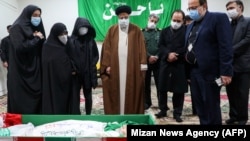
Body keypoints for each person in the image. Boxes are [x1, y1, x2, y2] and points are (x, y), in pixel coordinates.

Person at [185, 0, 233, 125]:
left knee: (211, 106)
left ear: (204, 6)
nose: (191, 11)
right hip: (194, 72)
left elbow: (226, 46)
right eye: (189, 8)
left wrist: (226, 71)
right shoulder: (190, 25)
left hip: (211, 72)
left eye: (194, 7)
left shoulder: (218, 18)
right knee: (200, 107)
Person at [100, 5, 147, 114]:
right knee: (116, 90)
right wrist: (107, 65)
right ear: (117, 18)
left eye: (126, 17)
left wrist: (142, 64)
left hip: (132, 66)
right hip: (115, 66)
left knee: (132, 90)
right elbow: (106, 49)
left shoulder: (136, 30)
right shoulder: (112, 30)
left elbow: (142, 48)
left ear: (129, 17)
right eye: (121, 18)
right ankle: (117, 114)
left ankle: (130, 114)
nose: (124, 20)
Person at [7, 5, 46, 114]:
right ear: (27, 14)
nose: (37, 18)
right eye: (35, 15)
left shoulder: (36, 27)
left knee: (38, 93)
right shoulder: (17, 27)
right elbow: (20, 48)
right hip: (21, 70)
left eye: (39, 15)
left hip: (35, 67)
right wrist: (36, 38)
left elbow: (43, 44)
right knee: (22, 97)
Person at [155, 9, 188, 123]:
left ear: (183, 21)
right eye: (174, 20)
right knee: (162, 88)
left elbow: (187, 47)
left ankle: (177, 112)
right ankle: (162, 109)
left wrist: (176, 55)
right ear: (171, 19)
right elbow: (161, 46)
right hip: (165, 62)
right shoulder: (164, 31)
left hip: (179, 63)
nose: (175, 22)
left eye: (178, 21)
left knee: (178, 90)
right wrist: (168, 54)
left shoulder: (187, 31)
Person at [42, 22, 77, 114]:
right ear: (55, 34)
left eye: (65, 33)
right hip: (54, 80)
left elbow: (73, 57)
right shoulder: (47, 46)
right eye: (61, 34)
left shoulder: (68, 43)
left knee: (68, 100)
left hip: (68, 79)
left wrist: (72, 68)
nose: (64, 36)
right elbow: (47, 63)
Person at [225, 0, 250, 125]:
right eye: (228, 8)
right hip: (230, 65)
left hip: (243, 64)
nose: (229, 10)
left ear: (240, 7)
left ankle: (242, 118)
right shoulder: (228, 25)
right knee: (231, 92)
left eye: (231, 7)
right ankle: (233, 115)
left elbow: (247, 40)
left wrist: (230, 50)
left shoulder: (248, 21)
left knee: (242, 93)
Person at [70, 17, 99, 115]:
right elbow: (68, 56)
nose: (83, 29)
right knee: (75, 96)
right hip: (76, 74)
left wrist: (92, 65)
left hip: (88, 73)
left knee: (88, 96)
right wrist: (73, 67)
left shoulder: (91, 41)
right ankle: (76, 114)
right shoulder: (72, 41)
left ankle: (88, 114)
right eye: (81, 27)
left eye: (85, 27)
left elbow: (96, 55)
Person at [142, 13, 161, 110]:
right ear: (148, 19)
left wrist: (157, 56)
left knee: (159, 83)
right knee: (146, 83)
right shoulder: (142, 32)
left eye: (155, 21)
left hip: (158, 62)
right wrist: (149, 56)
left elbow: (162, 46)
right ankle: (147, 103)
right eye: (151, 20)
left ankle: (161, 103)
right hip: (146, 61)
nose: (153, 23)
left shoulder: (160, 32)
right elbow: (141, 47)